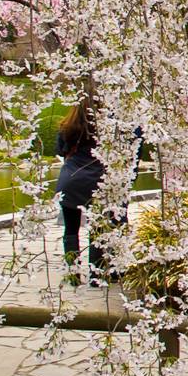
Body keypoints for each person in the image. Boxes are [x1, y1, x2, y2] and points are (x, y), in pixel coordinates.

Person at [56, 101, 107, 285]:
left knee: (70, 229)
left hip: (71, 180)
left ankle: (73, 274)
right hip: (97, 181)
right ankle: (97, 275)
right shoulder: (106, 130)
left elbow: (61, 151)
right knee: (98, 230)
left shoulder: (67, 127)